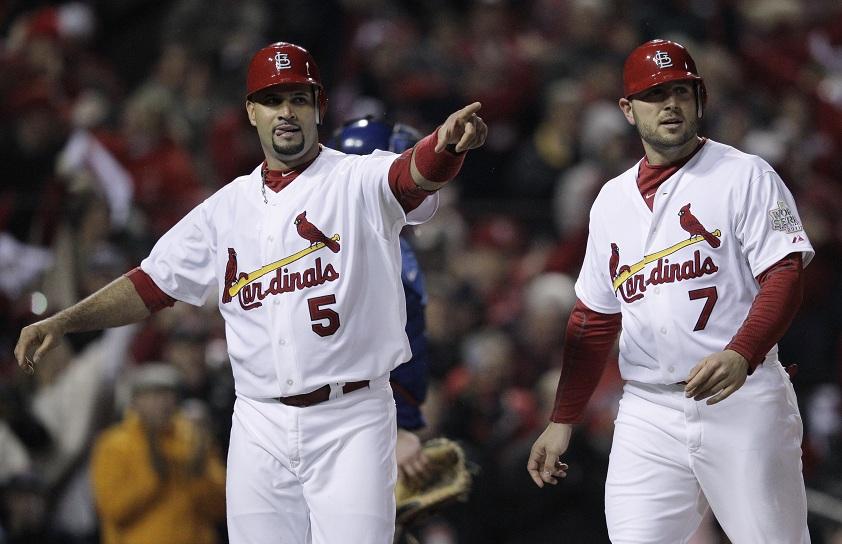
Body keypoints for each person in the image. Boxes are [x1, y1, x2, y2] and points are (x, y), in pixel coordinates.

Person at [15, 41, 487, 544]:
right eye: (272, 99)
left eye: (298, 99)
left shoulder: (357, 179)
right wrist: (64, 320)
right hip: (259, 422)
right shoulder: (225, 209)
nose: (286, 112)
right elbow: (150, 285)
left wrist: (447, 145)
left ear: (319, 107)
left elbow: (411, 175)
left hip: (351, 415)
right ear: (251, 111)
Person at [527, 39, 813, 543]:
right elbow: (593, 319)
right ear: (627, 109)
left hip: (742, 399)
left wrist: (742, 353)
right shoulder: (610, 201)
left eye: (681, 91)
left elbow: (785, 273)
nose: (671, 105)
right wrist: (563, 418)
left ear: (699, 99)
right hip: (648, 410)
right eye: (655, 94)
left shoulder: (744, 175)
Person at [329, 117, 433, 484]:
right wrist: (398, 427)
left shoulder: (386, 238)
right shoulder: (349, 250)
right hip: (345, 428)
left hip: (364, 422)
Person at [90, 363, 226, 544]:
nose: (162, 402)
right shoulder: (114, 444)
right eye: (153, 394)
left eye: (168, 394)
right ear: (135, 401)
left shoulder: (193, 439)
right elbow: (111, 509)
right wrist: (152, 477)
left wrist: (197, 472)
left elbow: (221, 506)